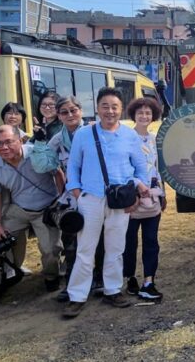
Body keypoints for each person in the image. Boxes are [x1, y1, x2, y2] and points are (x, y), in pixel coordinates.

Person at [63, 87, 152, 318]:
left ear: (121, 110)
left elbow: (141, 167)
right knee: (85, 248)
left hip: (120, 199)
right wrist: (75, 190)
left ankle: (113, 289)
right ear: (97, 108)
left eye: (114, 107)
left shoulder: (129, 136)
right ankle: (77, 295)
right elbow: (73, 165)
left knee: (115, 247)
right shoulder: (84, 134)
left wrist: (137, 192)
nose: (110, 111)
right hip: (90, 198)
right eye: (105, 106)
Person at [0, 125, 63, 310]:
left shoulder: (36, 153)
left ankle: (51, 276)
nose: (4, 147)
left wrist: (61, 200)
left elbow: (58, 173)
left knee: (50, 248)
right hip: (19, 209)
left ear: (20, 140)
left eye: (9, 142)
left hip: (45, 209)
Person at [123, 96, 166, 301]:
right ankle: (129, 277)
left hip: (153, 199)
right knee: (129, 242)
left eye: (148, 113)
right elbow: (121, 169)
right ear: (134, 115)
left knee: (151, 241)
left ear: (153, 116)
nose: (144, 116)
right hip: (132, 199)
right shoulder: (125, 138)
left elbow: (156, 169)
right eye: (140, 112)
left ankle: (149, 281)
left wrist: (163, 193)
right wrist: (137, 186)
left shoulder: (153, 138)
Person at [48, 95, 86, 302]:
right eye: (65, 112)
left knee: (96, 241)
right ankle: (71, 284)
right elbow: (50, 168)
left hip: (93, 195)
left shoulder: (93, 132)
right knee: (70, 242)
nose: (70, 115)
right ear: (59, 116)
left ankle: (98, 280)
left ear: (80, 110)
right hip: (70, 198)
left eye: (74, 110)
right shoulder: (56, 140)